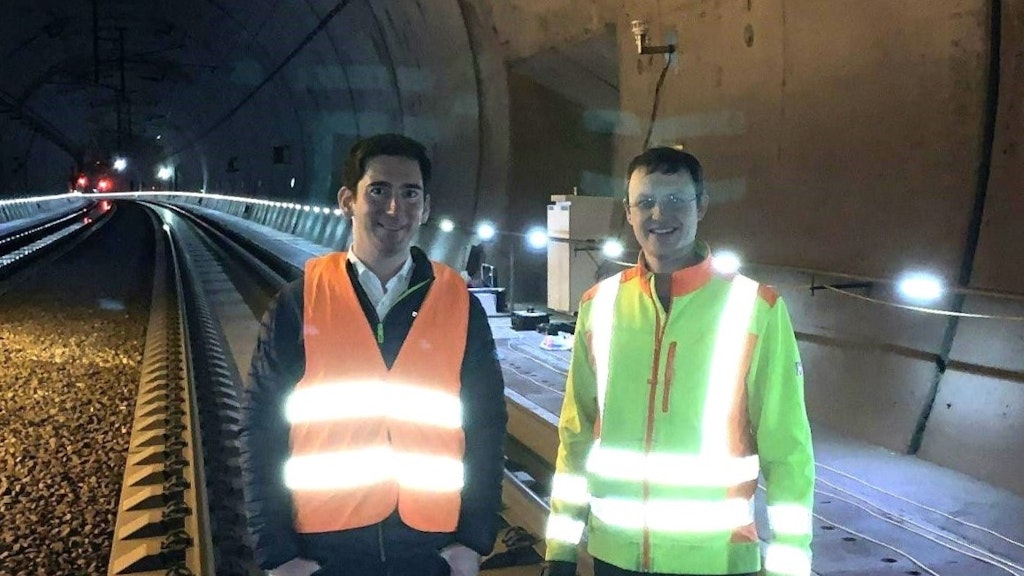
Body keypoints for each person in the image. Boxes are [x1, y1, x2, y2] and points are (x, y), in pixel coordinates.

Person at [241, 133, 508, 576]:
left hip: (429, 547)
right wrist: (278, 553)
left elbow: (486, 424)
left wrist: (472, 542)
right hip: (326, 548)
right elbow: (260, 425)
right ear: (348, 200)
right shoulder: (300, 301)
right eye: (378, 190)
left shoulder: (459, 303)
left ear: (425, 207)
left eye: (410, 193)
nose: (394, 209)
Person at [544, 146, 815, 576]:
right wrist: (560, 546)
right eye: (645, 202)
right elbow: (576, 433)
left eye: (675, 201)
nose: (658, 215)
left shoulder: (756, 308)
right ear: (628, 212)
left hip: (717, 559)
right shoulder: (600, 305)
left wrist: (789, 564)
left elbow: (788, 450)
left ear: (701, 206)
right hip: (615, 557)